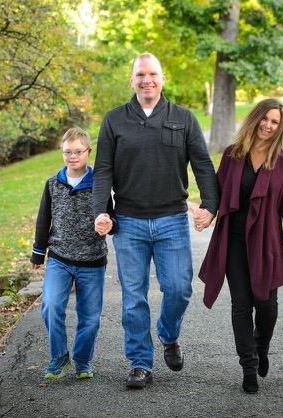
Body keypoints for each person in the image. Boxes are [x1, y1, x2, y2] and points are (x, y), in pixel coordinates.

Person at [92, 52, 219, 389]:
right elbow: (102, 169)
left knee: (179, 288)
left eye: (153, 74)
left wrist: (210, 206)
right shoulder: (115, 120)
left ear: (163, 78)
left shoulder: (183, 118)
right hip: (129, 222)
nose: (147, 80)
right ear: (132, 80)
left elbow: (203, 165)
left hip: (172, 220)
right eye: (140, 75)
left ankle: (168, 334)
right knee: (134, 297)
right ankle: (139, 363)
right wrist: (101, 211)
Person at [198, 98, 283, 394]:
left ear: (280, 127)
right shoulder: (233, 154)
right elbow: (217, 192)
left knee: (267, 305)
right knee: (241, 304)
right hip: (234, 240)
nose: (268, 125)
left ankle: (261, 346)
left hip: (267, 241)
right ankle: (248, 366)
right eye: (265, 119)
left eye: (275, 122)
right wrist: (206, 212)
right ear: (255, 118)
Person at [31, 127, 115, 380]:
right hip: (60, 258)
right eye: (67, 152)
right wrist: (38, 253)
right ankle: (58, 356)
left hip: (92, 260)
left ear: (88, 152)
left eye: (78, 152)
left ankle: (82, 361)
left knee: (89, 317)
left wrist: (109, 224)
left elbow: (112, 217)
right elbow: (43, 219)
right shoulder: (53, 183)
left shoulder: (99, 184)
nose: (72, 157)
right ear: (62, 153)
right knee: (51, 306)